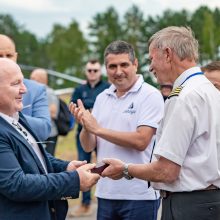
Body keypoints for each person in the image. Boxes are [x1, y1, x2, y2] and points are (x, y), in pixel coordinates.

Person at [99, 27, 220, 220]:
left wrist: (124, 169)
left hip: (187, 206)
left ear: (167, 54)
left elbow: (166, 171)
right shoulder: (210, 91)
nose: (150, 67)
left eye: (151, 59)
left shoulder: (182, 97)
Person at [69, 41, 164, 220]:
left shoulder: (150, 95)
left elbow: (141, 141)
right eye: (112, 66)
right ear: (106, 69)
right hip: (106, 193)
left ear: (135, 64)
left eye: (124, 65)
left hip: (139, 194)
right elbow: (88, 147)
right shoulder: (102, 97)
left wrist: (98, 129)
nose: (118, 71)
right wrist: (85, 127)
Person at [0, 57, 100, 220]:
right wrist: (73, 180)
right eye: (15, 83)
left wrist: (65, 167)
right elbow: (17, 185)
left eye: (23, 82)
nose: (24, 90)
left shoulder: (16, 116)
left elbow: (36, 156)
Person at [70, 59, 109, 217]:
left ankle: (106, 198)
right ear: (86, 72)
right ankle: (85, 203)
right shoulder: (79, 89)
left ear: (100, 72)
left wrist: (88, 107)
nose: (92, 73)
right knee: (83, 165)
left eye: (95, 70)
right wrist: (90, 108)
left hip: (103, 134)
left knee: (106, 166)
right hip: (83, 134)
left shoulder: (107, 88)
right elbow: (73, 105)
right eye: (90, 70)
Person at [0, 34, 51, 141]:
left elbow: (44, 130)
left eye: (9, 55)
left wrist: (10, 116)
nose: (5, 60)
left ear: (16, 57)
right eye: (0, 56)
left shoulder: (35, 90)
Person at [30, 68, 59, 155]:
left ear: (40, 79)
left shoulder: (49, 93)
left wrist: (36, 111)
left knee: (48, 162)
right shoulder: (34, 92)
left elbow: (54, 113)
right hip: (38, 134)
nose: (30, 80)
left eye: (33, 78)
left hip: (49, 135)